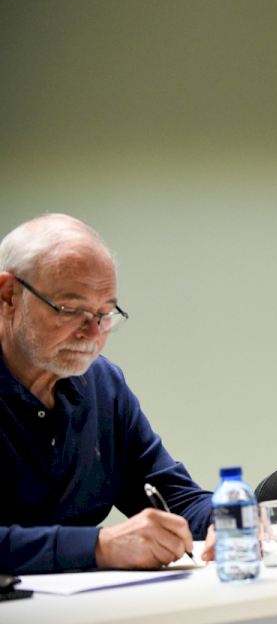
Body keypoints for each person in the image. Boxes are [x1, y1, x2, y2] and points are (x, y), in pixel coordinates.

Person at [1, 214, 211, 575]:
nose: (93, 333)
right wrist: (98, 547)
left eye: (105, 313)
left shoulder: (102, 384)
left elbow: (175, 500)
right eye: (71, 310)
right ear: (8, 295)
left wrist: (229, 518)